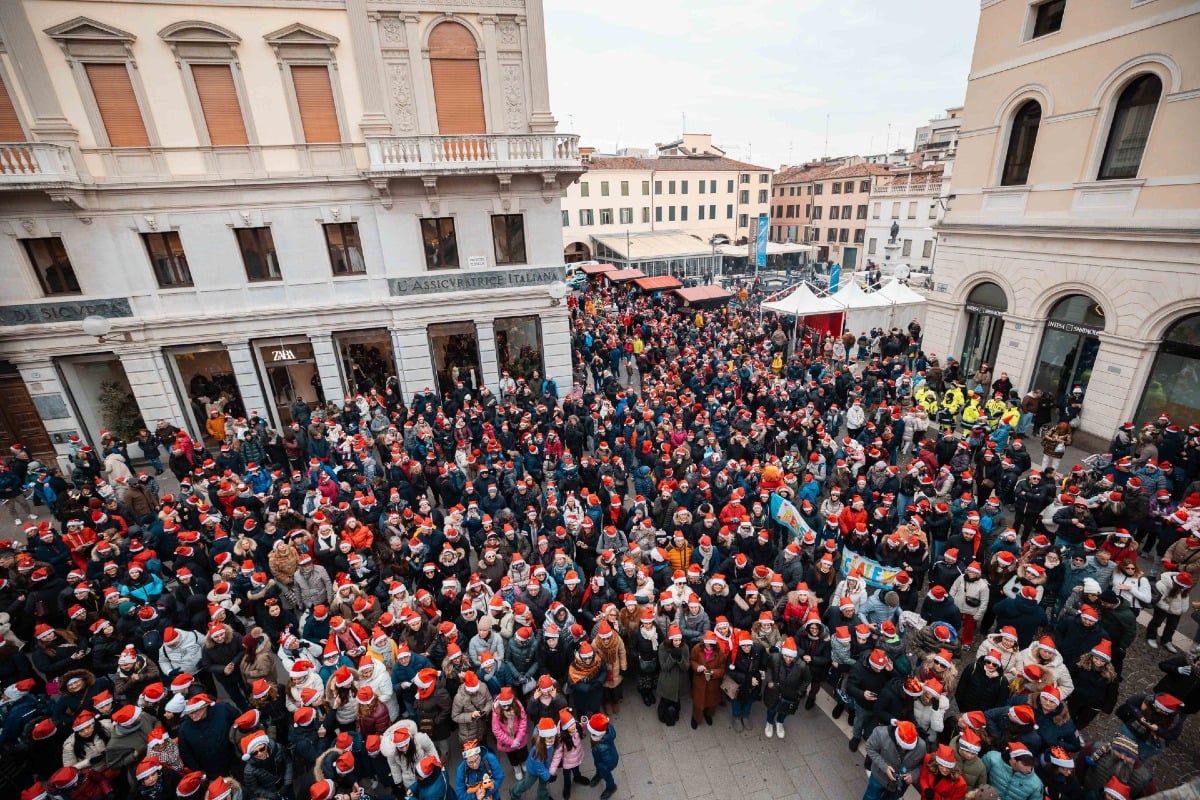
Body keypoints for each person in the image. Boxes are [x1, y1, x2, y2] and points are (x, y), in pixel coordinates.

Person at [862, 719, 926, 800]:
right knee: (870, 797)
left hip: (900, 786)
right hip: (878, 778)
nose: (904, 749)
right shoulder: (881, 733)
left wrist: (914, 775)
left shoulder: (921, 746)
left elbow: (923, 765)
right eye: (903, 746)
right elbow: (869, 747)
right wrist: (885, 767)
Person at [583, 712, 619, 800]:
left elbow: (608, 762)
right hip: (600, 760)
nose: (591, 735)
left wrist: (602, 767)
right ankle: (599, 774)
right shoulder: (605, 730)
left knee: (607, 776)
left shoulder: (603, 748)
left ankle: (611, 787)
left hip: (605, 765)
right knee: (598, 767)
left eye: (593, 734)